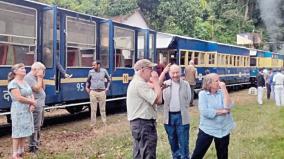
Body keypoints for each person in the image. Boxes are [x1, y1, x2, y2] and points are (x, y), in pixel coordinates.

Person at [191, 73, 235, 159]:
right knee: (198, 153)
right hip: (207, 129)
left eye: (220, 80)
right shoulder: (203, 94)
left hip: (223, 129)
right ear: (209, 83)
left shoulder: (222, 92)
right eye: (217, 81)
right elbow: (205, 112)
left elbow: (228, 106)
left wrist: (224, 89)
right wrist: (222, 111)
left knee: (223, 155)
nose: (220, 82)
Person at [127, 59, 162, 159]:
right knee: (148, 154)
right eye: (150, 69)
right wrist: (156, 81)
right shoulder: (139, 84)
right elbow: (159, 100)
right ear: (142, 70)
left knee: (139, 154)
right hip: (144, 124)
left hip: (139, 124)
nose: (152, 72)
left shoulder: (137, 82)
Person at [7, 63, 36, 159]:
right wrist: (32, 102)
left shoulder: (25, 82)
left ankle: (21, 150)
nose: (24, 69)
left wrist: (32, 103)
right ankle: (15, 153)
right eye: (21, 68)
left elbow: (30, 93)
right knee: (17, 131)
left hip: (27, 109)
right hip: (18, 110)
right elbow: (18, 98)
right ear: (15, 71)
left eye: (24, 68)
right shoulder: (13, 84)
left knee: (25, 130)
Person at [162, 64, 191, 159]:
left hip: (181, 116)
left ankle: (185, 157)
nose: (175, 75)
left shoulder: (185, 84)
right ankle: (176, 157)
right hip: (169, 117)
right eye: (173, 73)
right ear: (169, 74)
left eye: (177, 72)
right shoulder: (165, 84)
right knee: (172, 140)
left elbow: (188, 99)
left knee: (184, 140)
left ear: (180, 72)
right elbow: (163, 99)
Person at [24, 62, 46, 153]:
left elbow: (42, 88)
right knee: (34, 126)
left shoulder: (36, 77)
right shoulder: (29, 77)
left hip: (40, 103)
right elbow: (37, 88)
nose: (43, 72)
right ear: (36, 69)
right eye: (42, 70)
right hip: (35, 104)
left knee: (38, 125)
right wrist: (40, 77)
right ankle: (32, 146)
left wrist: (41, 77)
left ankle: (36, 142)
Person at [85, 60, 111, 130]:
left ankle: (104, 123)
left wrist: (107, 88)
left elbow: (109, 80)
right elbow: (88, 81)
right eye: (92, 65)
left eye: (94, 65)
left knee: (102, 109)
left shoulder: (104, 71)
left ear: (98, 65)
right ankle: (93, 125)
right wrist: (86, 87)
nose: (92, 66)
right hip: (93, 92)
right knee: (93, 109)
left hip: (102, 92)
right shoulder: (90, 72)